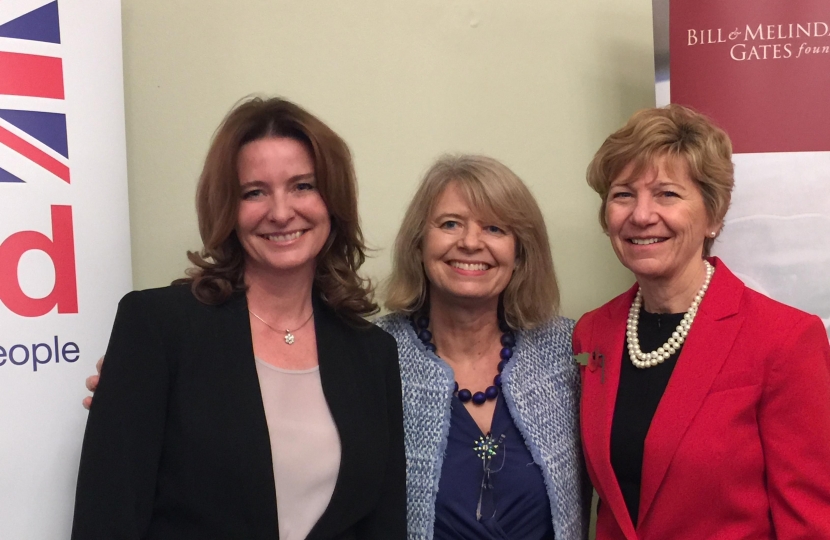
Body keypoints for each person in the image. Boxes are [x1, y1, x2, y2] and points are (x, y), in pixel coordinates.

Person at [72, 97, 406, 540]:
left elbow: (382, 525)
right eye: (255, 192)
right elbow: (106, 520)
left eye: (303, 186)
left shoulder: (371, 351)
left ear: (333, 201)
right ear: (228, 208)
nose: (282, 212)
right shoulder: (158, 327)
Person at [574, 104, 830, 539]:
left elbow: (812, 522)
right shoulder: (593, 331)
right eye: (622, 194)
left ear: (713, 216)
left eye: (667, 194)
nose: (640, 215)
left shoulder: (785, 340)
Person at [377, 155, 587, 540]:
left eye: (494, 228)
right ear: (419, 243)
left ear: (520, 252)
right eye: (450, 224)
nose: (470, 242)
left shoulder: (568, 353)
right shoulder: (373, 356)